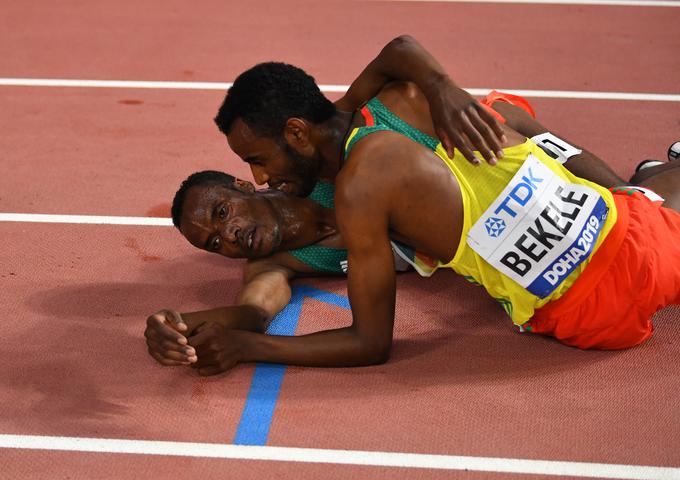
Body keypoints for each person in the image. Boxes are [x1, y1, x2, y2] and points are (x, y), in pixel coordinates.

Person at [146, 38, 680, 374]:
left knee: (503, 121)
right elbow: (254, 310)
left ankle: (644, 185)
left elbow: (399, 54)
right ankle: (649, 184)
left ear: (246, 185)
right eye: (213, 244)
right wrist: (184, 325)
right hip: (593, 285)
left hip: (584, 306)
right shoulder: (281, 252)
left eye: (222, 216)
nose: (229, 238)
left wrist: (440, 85)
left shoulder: (372, 134)